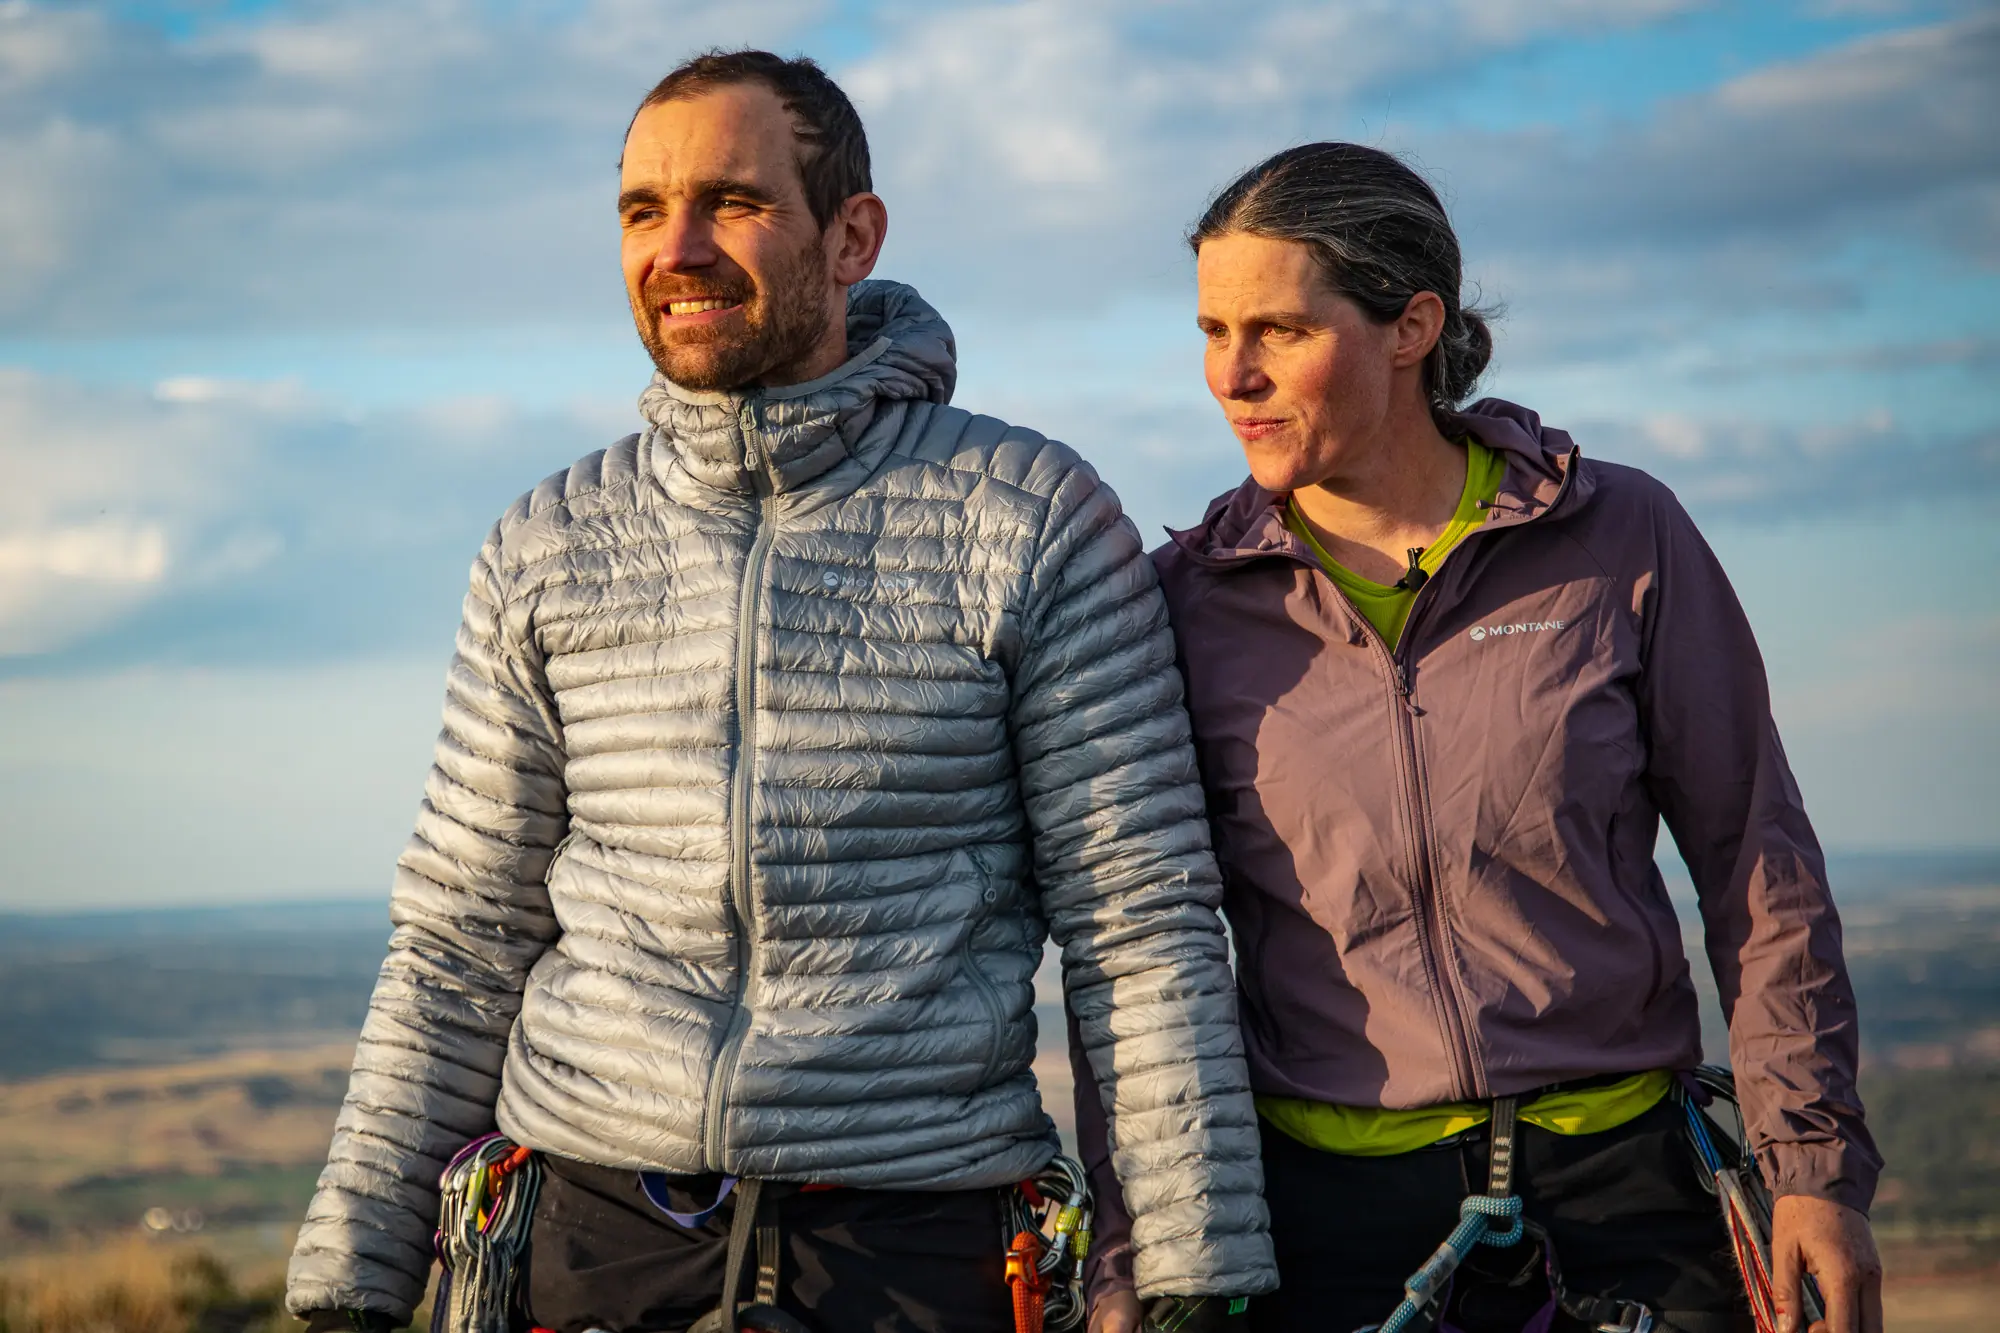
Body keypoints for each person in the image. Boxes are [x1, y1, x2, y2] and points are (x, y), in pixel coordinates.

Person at [285, 50, 1276, 1333]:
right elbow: (458, 941)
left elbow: (1136, 921)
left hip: (916, 1247)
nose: (676, 247)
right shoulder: (549, 539)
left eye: (732, 203)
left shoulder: (1029, 516)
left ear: (851, 234)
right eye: (641, 210)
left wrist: (1192, 1276)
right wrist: (349, 1281)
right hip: (585, 1241)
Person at [1078, 143, 1883, 1333]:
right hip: (1326, 1218)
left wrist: (1811, 1169)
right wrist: (1129, 1253)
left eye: (1278, 332)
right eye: (1210, 331)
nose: (1230, 377)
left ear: (1410, 326)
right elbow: (1137, 948)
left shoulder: (1619, 534)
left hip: (1626, 1201)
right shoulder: (1182, 601)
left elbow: (1754, 863)